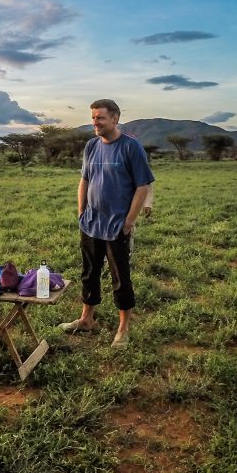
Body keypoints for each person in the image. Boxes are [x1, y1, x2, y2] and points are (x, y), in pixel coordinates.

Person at [62, 100, 155, 348]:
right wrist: (82, 211)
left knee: (120, 277)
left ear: (115, 119)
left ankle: (123, 328)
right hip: (91, 222)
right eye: (93, 118)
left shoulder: (130, 147)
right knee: (89, 273)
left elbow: (142, 186)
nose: (95, 122)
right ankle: (86, 319)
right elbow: (84, 179)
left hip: (116, 225)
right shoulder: (91, 146)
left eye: (100, 118)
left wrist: (129, 221)